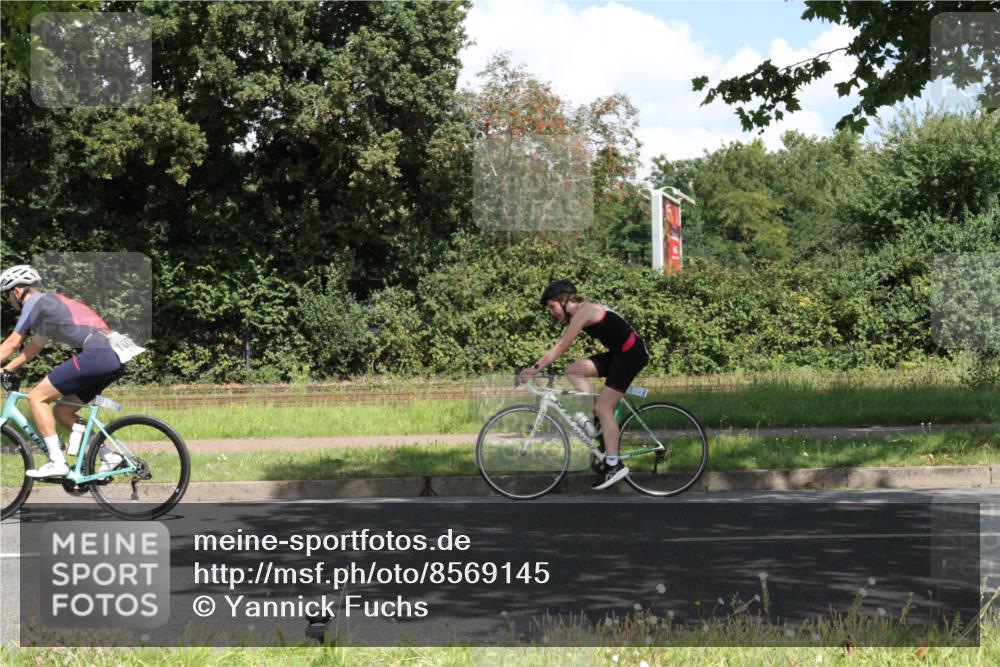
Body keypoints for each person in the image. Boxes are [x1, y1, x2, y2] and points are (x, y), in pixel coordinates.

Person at [0, 265, 130, 478]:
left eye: (7, 296)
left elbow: (13, 343)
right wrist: (7, 368)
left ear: (17, 291)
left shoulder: (34, 303)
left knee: (36, 398)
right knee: (62, 411)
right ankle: (109, 456)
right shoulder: (49, 304)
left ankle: (57, 461)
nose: (8, 301)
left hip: (96, 353)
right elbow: (34, 347)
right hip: (111, 355)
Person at [520, 279, 650, 489]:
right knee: (573, 370)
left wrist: (534, 368)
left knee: (604, 407)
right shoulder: (581, 311)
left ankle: (614, 465)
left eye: (553, 307)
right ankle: (597, 421)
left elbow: (562, 346)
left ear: (564, 300)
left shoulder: (584, 311)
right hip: (619, 354)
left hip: (631, 355)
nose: (552, 312)